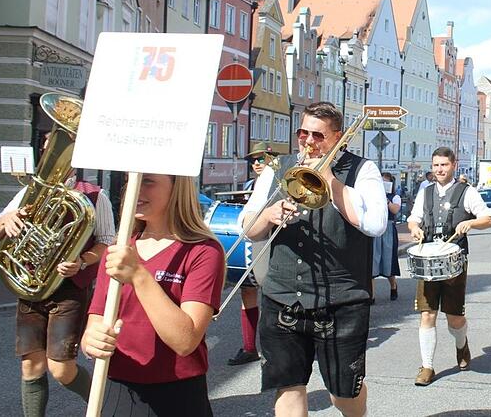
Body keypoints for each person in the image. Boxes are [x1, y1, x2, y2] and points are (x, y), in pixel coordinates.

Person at [240, 102, 387, 417]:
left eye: (318, 136)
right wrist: (268, 214)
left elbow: (375, 224)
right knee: (288, 385)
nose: (308, 142)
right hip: (282, 296)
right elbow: (248, 228)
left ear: (337, 138)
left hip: (341, 301)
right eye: (302, 133)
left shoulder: (362, 169)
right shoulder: (277, 167)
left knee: (343, 394)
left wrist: (331, 180)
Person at [0, 133, 115, 417]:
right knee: (30, 366)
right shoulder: (30, 193)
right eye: (48, 151)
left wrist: (81, 261)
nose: (51, 157)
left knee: (61, 369)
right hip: (32, 286)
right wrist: (6, 220)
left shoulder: (94, 195)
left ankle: (107, 405)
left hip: (69, 289)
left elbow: (106, 242)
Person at [81, 174, 225, 416]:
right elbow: (94, 326)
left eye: (147, 181)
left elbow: (185, 340)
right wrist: (92, 342)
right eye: (130, 182)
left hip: (178, 396)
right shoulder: (117, 251)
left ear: (176, 188)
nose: (134, 190)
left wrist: (139, 275)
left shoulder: (203, 252)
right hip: (118, 390)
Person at [407, 147, 491, 387]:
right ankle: (427, 366)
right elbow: (413, 218)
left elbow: (489, 219)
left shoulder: (467, 192)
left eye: (443, 165)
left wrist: (471, 222)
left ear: (453, 165)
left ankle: (461, 345)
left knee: (454, 318)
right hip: (428, 260)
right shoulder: (425, 192)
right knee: (427, 314)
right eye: (435, 165)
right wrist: (414, 228)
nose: (439, 170)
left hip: (455, 260)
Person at [227, 142, 280, 366]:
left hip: (269, 242)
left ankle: (277, 347)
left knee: (273, 295)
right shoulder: (250, 184)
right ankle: (249, 347)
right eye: (253, 160)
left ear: (272, 159)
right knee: (247, 291)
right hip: (249, 241)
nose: (257, 163)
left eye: (261, 159)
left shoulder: (278, 181)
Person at [373, 172, 401, 302]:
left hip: (388, 228)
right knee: (372, 261)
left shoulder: (395, 197)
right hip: (375, 227)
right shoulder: (373, 196)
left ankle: (393, 286)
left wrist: (387, 200)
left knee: (388, 260)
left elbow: (395, 210)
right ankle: (371, 295)